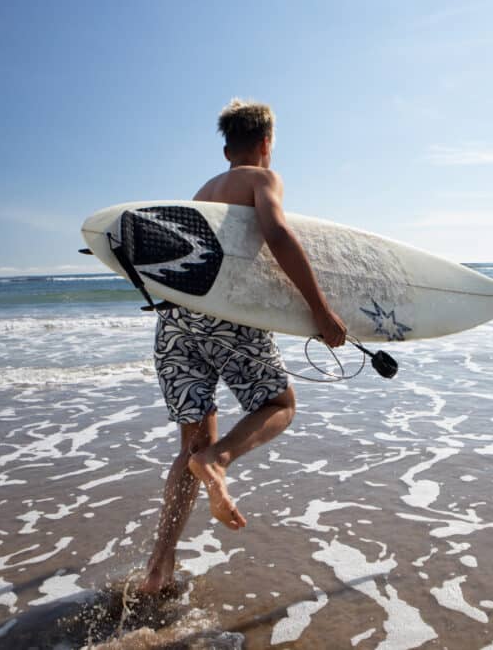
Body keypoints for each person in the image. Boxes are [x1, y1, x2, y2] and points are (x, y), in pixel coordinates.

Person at [138, 99, 346, 594]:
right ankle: (221, 460)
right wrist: (318, 308)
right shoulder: (261, 179)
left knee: (190, 446)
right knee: (280, 404)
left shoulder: (201, 195)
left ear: (227, 146)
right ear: (267, 144)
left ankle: (157, 567)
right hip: (229, 318)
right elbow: (276, 232)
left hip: (175, 324)